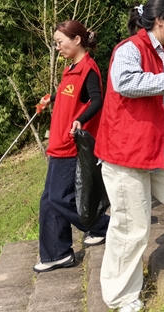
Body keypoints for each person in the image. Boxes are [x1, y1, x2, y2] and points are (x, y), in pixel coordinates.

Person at [95, 0, 164, 312]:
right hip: (125, 150)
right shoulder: (129, 49)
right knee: (132, 226)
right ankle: (121, 297)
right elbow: (125, 82)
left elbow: (163, 104)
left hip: (156, 143)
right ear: (160, 20)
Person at [33, 20, 109, 273]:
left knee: (59, 198)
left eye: (60, 42)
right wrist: (50, 98)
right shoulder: (71, 69)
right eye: (56, 43)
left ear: (77, 39)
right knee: (49, 200)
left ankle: (105, 226)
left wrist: (80, 120)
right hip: (58, 143)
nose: (58, 47)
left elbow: (97, 100)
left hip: (71, 145)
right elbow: (68, 94)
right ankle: (57, 254)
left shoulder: (88, 68)